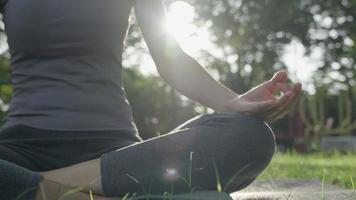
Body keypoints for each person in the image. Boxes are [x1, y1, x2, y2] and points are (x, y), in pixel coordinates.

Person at [0, 0, 301, 199]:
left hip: (114, 155)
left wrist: (235, 104)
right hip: (22, 147)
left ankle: (33, 187)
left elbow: (171, 60)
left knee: (249, 137)